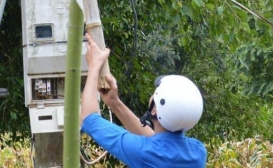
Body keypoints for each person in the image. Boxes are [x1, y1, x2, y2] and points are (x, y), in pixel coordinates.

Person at [80, 34, 208, 168]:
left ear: (155, 109)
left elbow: (88, 118)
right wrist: (114, 102)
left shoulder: (143, 152)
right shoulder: (198, 153)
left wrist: (94, 66)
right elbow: (156, 143)